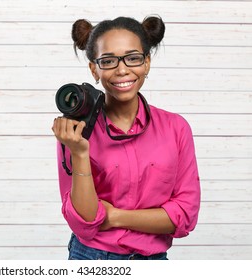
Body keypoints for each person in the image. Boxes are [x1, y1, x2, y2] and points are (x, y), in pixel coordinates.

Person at [51, 15, 201, 260]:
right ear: (94, 69)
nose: (122, 70)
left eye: (133, 58)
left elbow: (184, 216)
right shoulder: (77, 131)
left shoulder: (176, 128)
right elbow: (85, 222)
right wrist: (79, 152)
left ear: (147, 63)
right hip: (92, 258)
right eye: (108, 61)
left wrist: (114, 216)